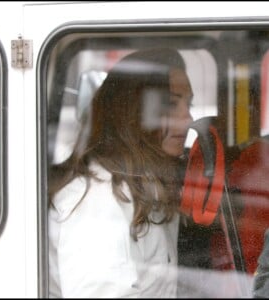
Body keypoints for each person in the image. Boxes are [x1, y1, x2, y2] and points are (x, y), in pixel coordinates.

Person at [48, 47, 193, 298]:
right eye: (171, 104)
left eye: (188, 104)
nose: (188, 118)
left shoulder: (148, 184)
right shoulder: (97, 202)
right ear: (132, 112)